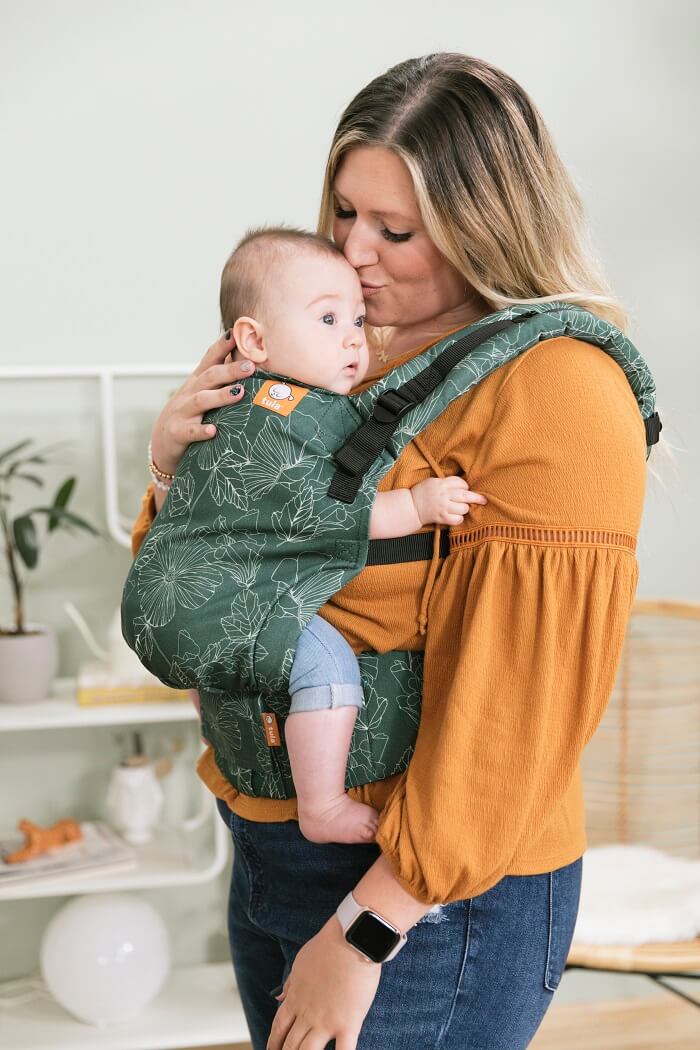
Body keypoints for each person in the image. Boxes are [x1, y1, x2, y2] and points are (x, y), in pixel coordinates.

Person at [131, 53, 651, 1050]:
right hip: (272, 848)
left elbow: (517, 715)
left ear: (485, 225)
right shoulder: (317, 361)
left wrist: (365, 932)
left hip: (422, 898)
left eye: (394, 230)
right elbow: (195, 592)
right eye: (342, 213)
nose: (353, 252)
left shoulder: (558, 390)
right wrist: (171, 465)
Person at [178, 225, 488, 847]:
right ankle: (321, 803)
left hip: (222, 592)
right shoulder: (270, 422)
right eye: (327, 320)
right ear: (254, 339)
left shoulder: (262, 406)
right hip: (243, 591)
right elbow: (334, 511)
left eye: (356, 319)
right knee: (328, 669)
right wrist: (420, 503)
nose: (352, 338)